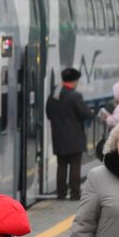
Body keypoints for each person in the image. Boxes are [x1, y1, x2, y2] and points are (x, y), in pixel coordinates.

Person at [46, 67, 90, 199]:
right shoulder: (75, 96)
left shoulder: (54, 95)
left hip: (59, 136)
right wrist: (91, 113)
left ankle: (61, 193)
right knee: (75, 166)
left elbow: (48, 114)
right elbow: (84, 114)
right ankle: (75, 194)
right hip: (74, 137)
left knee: (62, 165)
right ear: (74, 81)